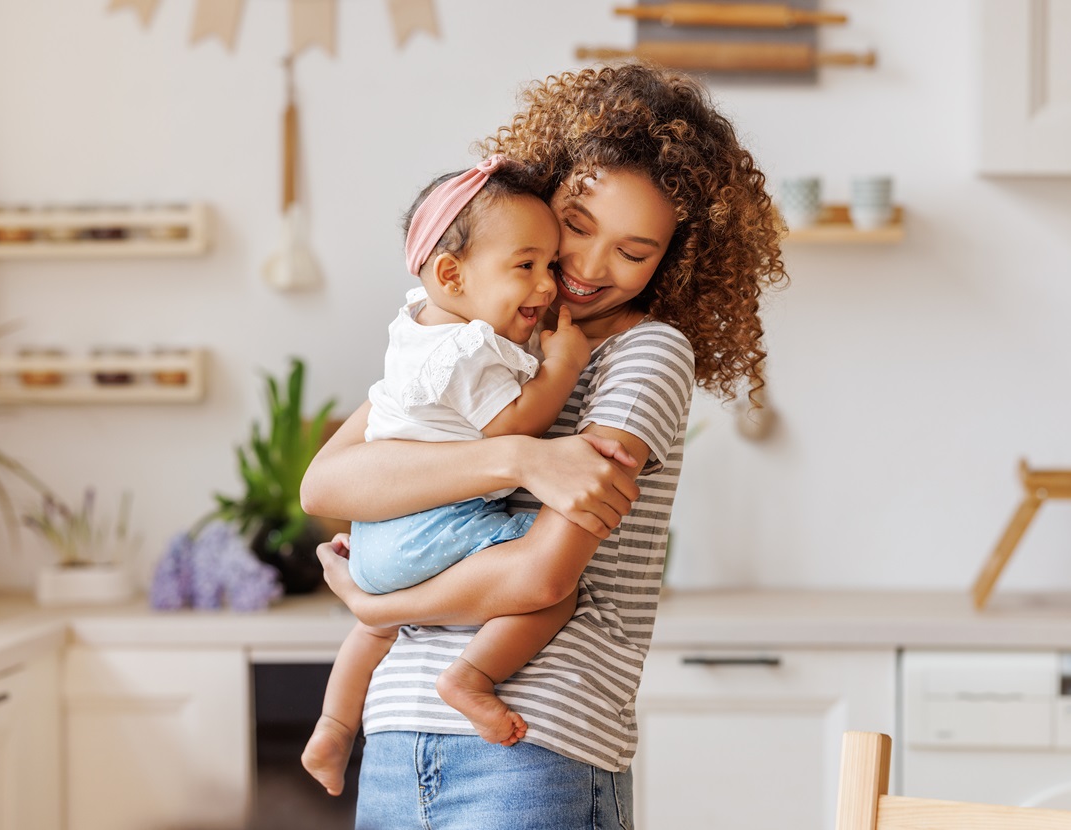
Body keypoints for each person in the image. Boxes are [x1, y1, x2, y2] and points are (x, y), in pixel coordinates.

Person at [301, 61, 787, 829]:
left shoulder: (646, 354)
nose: (590, 269)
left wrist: (373, 601)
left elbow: (539, 577)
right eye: (577, 226)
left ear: (675, 260)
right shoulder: (476, 339)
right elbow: (326, 486)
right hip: (395, 740)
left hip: (534, 749)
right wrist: (520, 457)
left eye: (634, 252)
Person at [301, 156, 593, 796]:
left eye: (550, 265)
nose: (547, 287)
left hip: (378, 536)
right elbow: (512, 426)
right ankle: (471, 676)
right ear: (451, 274)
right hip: (432, 527)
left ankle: (331, 726)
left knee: (375, 625)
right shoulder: (468, 348)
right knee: (555, 586)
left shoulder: (417, 331)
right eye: (526, 266)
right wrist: (563, 366)